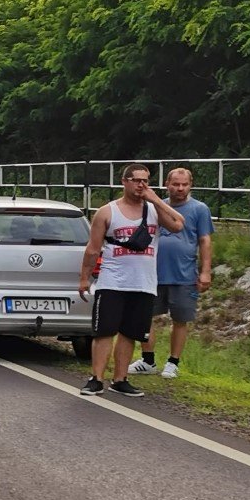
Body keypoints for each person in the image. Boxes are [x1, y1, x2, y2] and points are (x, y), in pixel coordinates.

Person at [78, 163, 184, 396]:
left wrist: (156, 200)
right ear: (124, 181)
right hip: (112, 281)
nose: (141, 185)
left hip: (143, 282)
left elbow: (178, 225)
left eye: (146, 180)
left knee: (130, 333)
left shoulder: (154, 210)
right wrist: (84, 278)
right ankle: (96, 378)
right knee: (104, 331)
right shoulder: (107, 212)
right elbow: (93, 248)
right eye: (136, 180)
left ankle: (120, 378)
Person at [131, 167, 215, 379]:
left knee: (180, 319)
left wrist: (205, 271)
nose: (180, 188)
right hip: (153, 272)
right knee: (144, 316)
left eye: (184, 184)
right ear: (167, 185)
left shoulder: (199, 209)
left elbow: (205, 240)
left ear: (190, 185)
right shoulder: (153, 206)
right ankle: (148, 360)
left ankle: (173, 362)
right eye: (175, 184)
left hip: (184, 273)